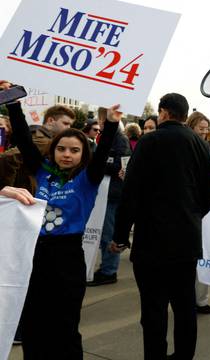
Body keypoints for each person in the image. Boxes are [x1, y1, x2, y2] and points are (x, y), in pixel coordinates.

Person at [3, 79, 120, 359]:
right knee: (32, 324)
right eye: (62, 149)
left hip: (67, 259)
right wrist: (12, 101)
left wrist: (112, 124)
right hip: (34, 256)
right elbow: (21, 136)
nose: (67, 155)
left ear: (83, 155)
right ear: (54, 150)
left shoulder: (87, 178)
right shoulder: (41, 170)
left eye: (74, 150)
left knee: (65, 328)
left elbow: (103, 150)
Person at [111, 93, 210, 360]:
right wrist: (193, 214)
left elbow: (131, 192)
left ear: (163, 112)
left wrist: (121, 235)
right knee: (184, 307)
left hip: (151, 241)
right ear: (184, 115)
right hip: (186, 241)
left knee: (153, 309)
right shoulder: (200, 145)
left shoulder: (149, 141)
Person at [88, 108, 131, 287]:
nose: (100, 121)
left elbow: (122, 165)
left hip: (112, 193)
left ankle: (109, 271)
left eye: (102, 118)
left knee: (108, 233)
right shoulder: (106, 136)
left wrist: (97, 164)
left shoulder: (119, 139)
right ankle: (106, 268)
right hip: (104, 191)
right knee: (103, 232)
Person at [185, 111, 210, 315]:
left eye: (207, 129)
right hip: (191, 210)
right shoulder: (183, 148)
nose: (205, 133)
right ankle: (187, 297)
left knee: (205, 253)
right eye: (201, 129)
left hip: (206, 209)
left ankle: (200, 299)